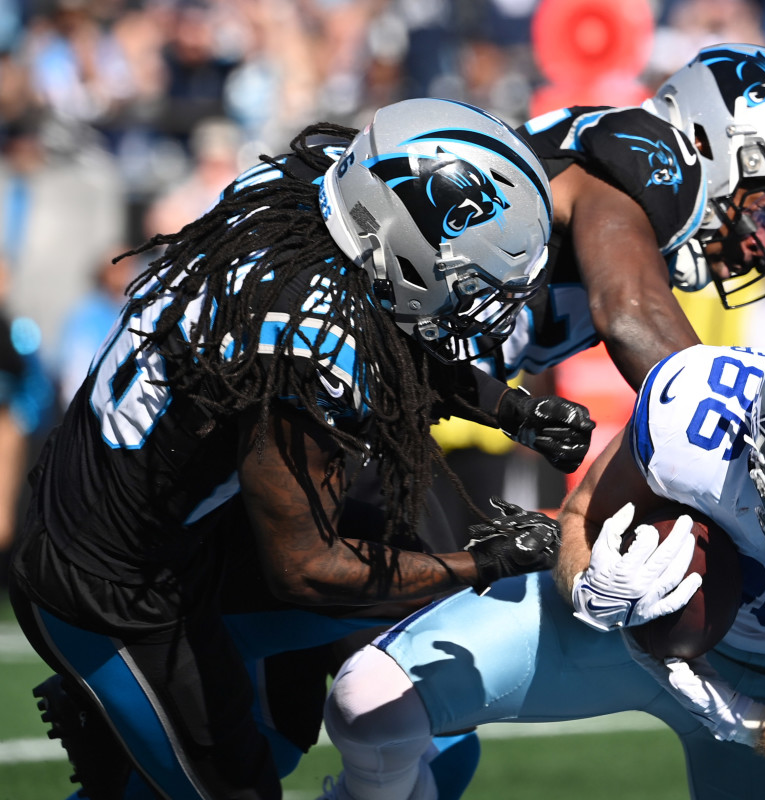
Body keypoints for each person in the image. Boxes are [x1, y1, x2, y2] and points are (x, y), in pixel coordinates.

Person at [8, 98, 595, 800]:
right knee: (242, 789)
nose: (475, 301)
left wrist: (512, 410)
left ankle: (117, 738)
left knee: (285, 729)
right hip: (114, 584)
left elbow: (386, 335)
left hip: (157, 518)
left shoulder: (303, 194)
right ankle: (107, 712)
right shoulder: (300, 341)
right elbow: (307, 569)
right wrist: (488, 560)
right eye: (466, 276)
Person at [320, 321, 765, 800]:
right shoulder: (699, 417)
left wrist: (744, 715)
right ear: (757, 459)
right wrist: (591, 583)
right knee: (369, 706)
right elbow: (580, 521)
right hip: (623, 630)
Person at [480, 42, 765, 389]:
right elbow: (630, 317)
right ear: (712, 142)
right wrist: (745, 426)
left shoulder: (652, 242)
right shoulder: (653, 154)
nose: (761, 242)